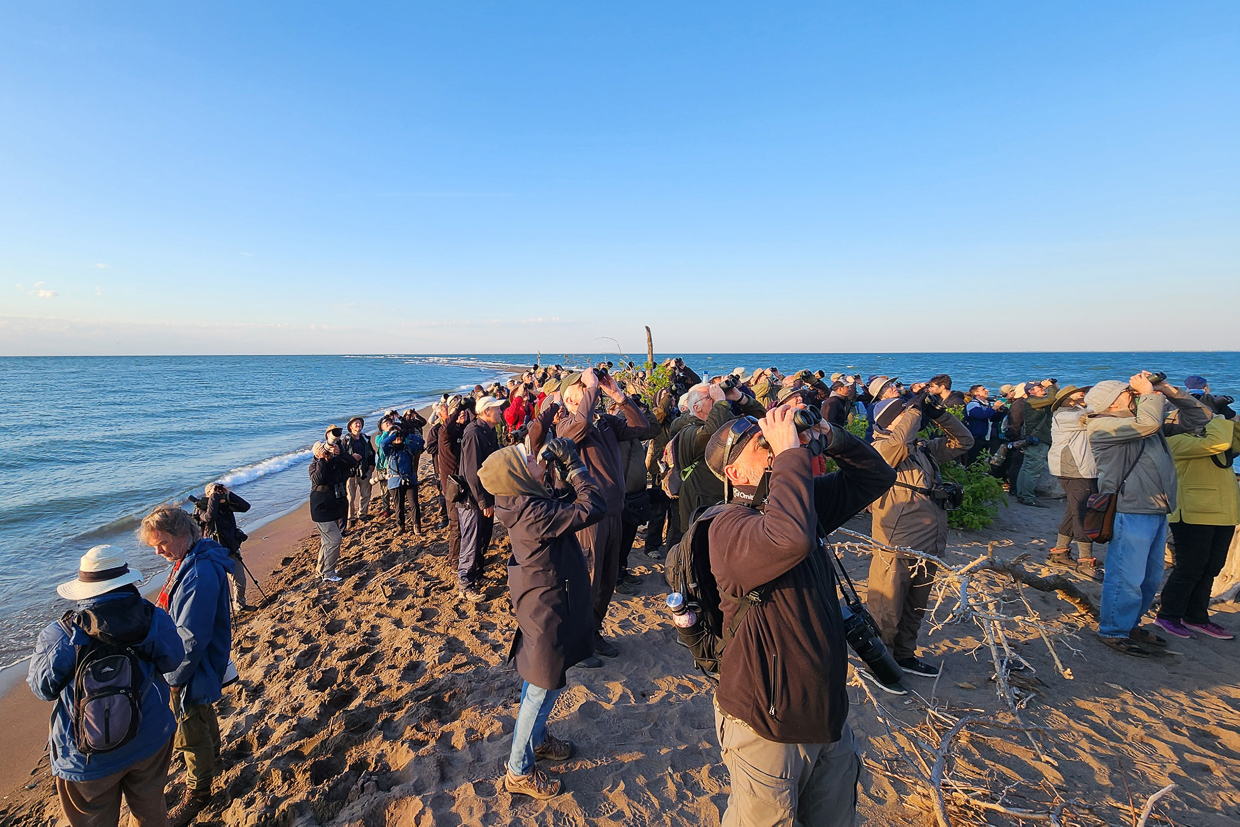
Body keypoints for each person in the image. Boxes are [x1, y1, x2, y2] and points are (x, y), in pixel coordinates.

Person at [704, 404, 895, 825]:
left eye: (772, 442)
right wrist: (791, 453)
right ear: (735, 475)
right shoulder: (727, 527)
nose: (774, 449)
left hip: (827, 712)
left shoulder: (799, 506)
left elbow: (876, 477)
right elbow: (788, 540)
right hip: (765, 723)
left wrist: (832, 439)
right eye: (762, 446)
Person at [478, 437, 606, 799]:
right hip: (546, 608)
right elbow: (592, 506)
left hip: (543, 600)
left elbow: (563, 501)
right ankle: (518, 771)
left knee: (546, 676)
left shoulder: (523, 500)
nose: (536, 458)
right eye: (528, 459)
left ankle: (537, 740)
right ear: (519, 476)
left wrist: (558, 468)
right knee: (541, 686)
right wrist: (576, 465)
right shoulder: (533, 513)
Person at [28, 546, 185, 827]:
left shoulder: (61, 634)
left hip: (86, 754)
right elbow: (173, 659)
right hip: (150, 734)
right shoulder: (152, 618)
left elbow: (43, 689)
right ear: (126, 580)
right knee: (151, 813)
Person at [1084, 373, 1209, 657]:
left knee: (1150, 578)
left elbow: (1201, 419)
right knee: (1125, 576)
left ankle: (1130, 624)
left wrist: (1168, 390)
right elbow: (1149, 423)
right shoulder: (1102, 426)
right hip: (1130, 508)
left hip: (1156, 508)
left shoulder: (1142, 422)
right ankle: (1113, 630)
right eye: (1129, 392)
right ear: (1112, 402)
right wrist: (1150, 395)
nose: (1135, 394)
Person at [866, 388, 973, 679]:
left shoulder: (921, 449)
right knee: (885, 606)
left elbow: (964, 441)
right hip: (896, 541)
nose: (914, 418)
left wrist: (939, 414)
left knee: (916, 605)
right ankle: (882, 663)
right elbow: (898, 441)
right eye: (904, 414)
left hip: (929, 540)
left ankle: (904, 655)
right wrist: (913, 409)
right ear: (891, 422)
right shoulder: (882, 449)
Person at [139, 504, 234, 826]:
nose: (157, 551)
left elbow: (192, 636)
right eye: (153, 544)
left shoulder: (199, 572)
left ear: (182, 534)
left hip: (193, 662)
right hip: (197, 661)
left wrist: (175, 677)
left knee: (190, 726)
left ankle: (199, 791)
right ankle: (216, 760)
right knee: (202, 710)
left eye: (161, 542)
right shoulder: (191, 559)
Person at [554, 368, 650, 666]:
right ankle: (576, 641)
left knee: (607, 579)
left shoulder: (605, 423)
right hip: (589, 517)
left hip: (614, 513)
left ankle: (592, 632)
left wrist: (619, 397)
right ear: (571, 398)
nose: (591, 391)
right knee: (589, 579)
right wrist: (592, 389)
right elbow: (581, 423)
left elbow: (642, 428)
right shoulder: (566, 427)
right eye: (585, 389)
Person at [1156, 401, 1239, 640]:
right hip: (1191, 513)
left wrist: (1229, 415)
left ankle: (1196, 616)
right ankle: (1168, 614)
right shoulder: (1175, 442)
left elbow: (1234, 441)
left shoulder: (1208, 438)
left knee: (1212, 568)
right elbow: (1219, 443)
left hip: (1223, 512)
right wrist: (1214, 418)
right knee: (1190, 567)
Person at [675, 382, 768, 532]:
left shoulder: (725, 421)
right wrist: (720, 402)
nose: (717, 397)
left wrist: (740, 397)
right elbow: (712, 433)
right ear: (696, 407)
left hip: (728, 498)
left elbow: (761, 421)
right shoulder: (688, 430)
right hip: (701, 499)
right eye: (709, 397)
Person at [1044, 386, 1103, 578]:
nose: (1083, 395)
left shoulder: (1073, 412)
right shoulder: (1064, 416)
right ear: (1066, 399)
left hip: (1079, 469)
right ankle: (1085, 561)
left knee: (1073, 510)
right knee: (1082, 513)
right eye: (1079, 394)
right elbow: (1091, 416)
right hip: (1075, 469)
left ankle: (1059, 552)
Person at [457, 395, 503, 600]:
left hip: (486, 494)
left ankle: (476, 574)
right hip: (471, 500)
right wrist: (483, 501)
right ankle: (465, 585)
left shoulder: (489, 431)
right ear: (486, 412)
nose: (501, 412)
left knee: (484, 538)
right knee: (471, 540)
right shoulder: (474, 433)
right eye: (497, 409)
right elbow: (472, 472)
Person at [309, 427, 359, 583]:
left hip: (334, 508)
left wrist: (340, 453)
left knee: (327, 541)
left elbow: (351, 465)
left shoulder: (336, 462)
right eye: (323, 451)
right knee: (335, 539)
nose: (327, 454)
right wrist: (322, 459)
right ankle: (328, 573)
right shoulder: (315, 466)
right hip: (321, 510)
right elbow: (318, 479)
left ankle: (321, 569)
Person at [192, 482, 252, 610]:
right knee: (217, 585)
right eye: (214, 492)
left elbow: (245, 506)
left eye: (219, 492)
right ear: (208, 495)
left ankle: (240, 605)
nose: (218, 494)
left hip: (230, 548)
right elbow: (209, 517)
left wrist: (228, 493)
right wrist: (213, 496)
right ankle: (218, 613)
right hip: (213, 552)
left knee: (240, 580)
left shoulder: (226, 506)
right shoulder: (200, 509)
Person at [439, 397, 471, 569]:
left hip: (465, 483)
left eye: (463, 413)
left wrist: (469, 407)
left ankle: (464, 556)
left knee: (468, 524)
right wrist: (457, 409)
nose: (462, 414)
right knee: (456, 525)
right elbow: (446, 427)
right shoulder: (445, 435)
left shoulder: (465, 430)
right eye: (458, 413)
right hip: (451, 486)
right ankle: (453, 560)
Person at [1016, 380, 1057, 507]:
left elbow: (1055, 398)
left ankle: (1022, 494)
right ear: (1031, 391)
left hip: (1035, 439)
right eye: (1039, 387)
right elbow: (1052, 399)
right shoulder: (1032, 401)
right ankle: (1028, 497)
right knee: (1032, 470)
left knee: (1026, 468)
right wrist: (1049, 386)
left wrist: (1053, 385)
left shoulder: (1036, 402)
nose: (1042, 388)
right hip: (1038, 440)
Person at [379, 427, 420, 533]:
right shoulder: (389, 450)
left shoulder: (409, 448)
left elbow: (420, 441)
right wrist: (394, 435)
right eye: (396, 438)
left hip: (410, 480)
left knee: (413, 504)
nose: (398, 439)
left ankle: (416, 525)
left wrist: (408, 435)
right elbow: (382, 444)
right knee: (398, 506)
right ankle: (400, 526)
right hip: (395, 482)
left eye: (400, 437)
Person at [342, 417, 375, 528]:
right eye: (355, 423)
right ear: (350, 427)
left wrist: (371, 468)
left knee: (366, 494)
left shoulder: (365, 439)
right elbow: (341, 456)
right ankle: (350, 518)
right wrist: (351, 457)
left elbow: (372, 454)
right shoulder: (345, 440)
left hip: (365, 471)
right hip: (350, 473)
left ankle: (362, 514)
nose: (358, 425)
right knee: (350, 497)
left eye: (359, 423)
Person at [963, 386, 1005, 466]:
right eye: (983, 389)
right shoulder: (973, 404)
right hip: (976, 438)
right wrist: (994, 408)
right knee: (973, 461)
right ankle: (971, 476)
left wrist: (1000, 412)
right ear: (976, 393)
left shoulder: (985, 404)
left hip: (986, 438)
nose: (987, 390)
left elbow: (992, 418)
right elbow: (981, 415)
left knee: (982, 461)